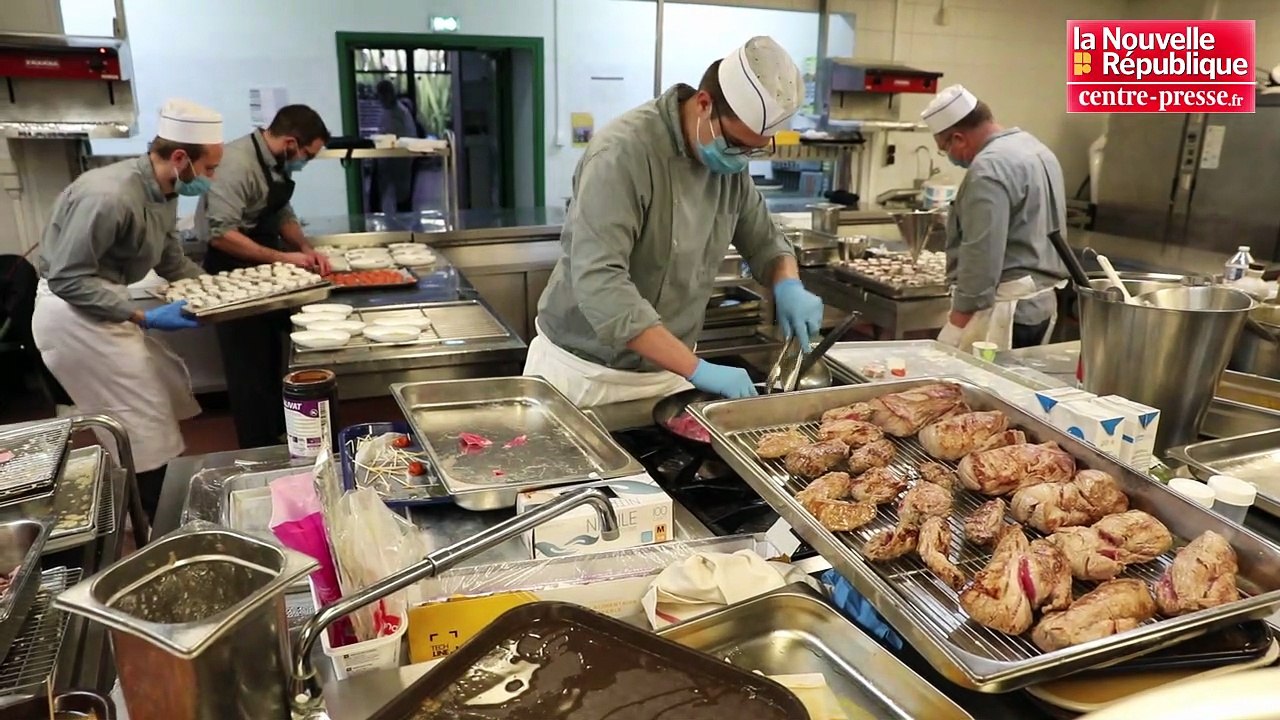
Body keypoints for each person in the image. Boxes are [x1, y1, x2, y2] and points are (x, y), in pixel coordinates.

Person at [525, 36, 825, 407]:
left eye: (755, 149)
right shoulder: (621, 154)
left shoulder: (730, 166)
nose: (742, 158)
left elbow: (765, 240)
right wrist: (698, 369)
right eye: (736, 144)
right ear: (704, 104)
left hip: (671, 373)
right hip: (585, 375)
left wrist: (789, 285)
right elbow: (601, 283)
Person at [32, 98, 224, 523]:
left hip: (101, 307)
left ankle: (157, 509)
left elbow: (171, 259)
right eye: (209, 169)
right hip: (71, 316)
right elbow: (67, 278)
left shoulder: (164, 192)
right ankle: (156, 522)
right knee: (142, 426)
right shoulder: (109, 196)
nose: (212, 178)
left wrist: (219, 293)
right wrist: (143, 316)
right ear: (180, 158)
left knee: (157, 404)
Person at [194, 104, 331, 449]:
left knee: (270, 359)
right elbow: (221, 234)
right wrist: (284, 257)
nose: (305, 162)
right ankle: (257, 448)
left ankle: (280, 434)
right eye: (308, 155)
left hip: (264, 265)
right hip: (232, 268)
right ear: (290, 143)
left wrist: (305, 247)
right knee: (248, 369)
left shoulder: (274, 163)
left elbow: (280, 211)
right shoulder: (235, 165)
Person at [924, 85, 1069, 351]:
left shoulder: (988, 169)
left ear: (958, 138)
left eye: (945, 149)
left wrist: (955, 326)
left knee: (982, 378)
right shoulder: (1036, 149)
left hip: (1006, 314)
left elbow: (982, 254)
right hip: (1041, 306)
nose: (949, 157)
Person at [373, 80, 417, 213]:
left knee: (402, 198)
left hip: (400, 160)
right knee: (383, 196)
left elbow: (408, 137)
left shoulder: (401, 113)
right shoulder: (387, 112)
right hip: (386, 160)